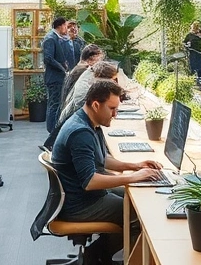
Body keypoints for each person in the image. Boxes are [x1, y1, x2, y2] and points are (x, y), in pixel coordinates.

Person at [51, 80, 163, 263]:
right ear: (96, 105)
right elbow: (90, 182)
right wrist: (132, 178)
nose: (115, 114)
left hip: (83, 196)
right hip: (81, 204)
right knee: (140, 215)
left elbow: (101, 159)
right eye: (112, 109)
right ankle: (101, 257)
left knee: (137, 196)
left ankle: (96, 255)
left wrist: (134, 166)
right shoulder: (81, 133)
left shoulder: (88, 122)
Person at [44, 62, 120, 151]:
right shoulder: (89, 82)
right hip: (74, 112)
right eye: (112, 80)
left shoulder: (91, 75)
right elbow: (80, 101)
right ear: (104, 78)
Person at [42, 16, 76, 133]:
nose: (67, 29)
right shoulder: (50, 39)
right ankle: (51, 131)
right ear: (60, 26)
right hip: (54, 78)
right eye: (66, 26)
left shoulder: (56, 38)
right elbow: (48, 58)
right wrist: (63, 68)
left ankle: (53, 131)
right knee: (54, 104)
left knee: (56, 104)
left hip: (58, 77)